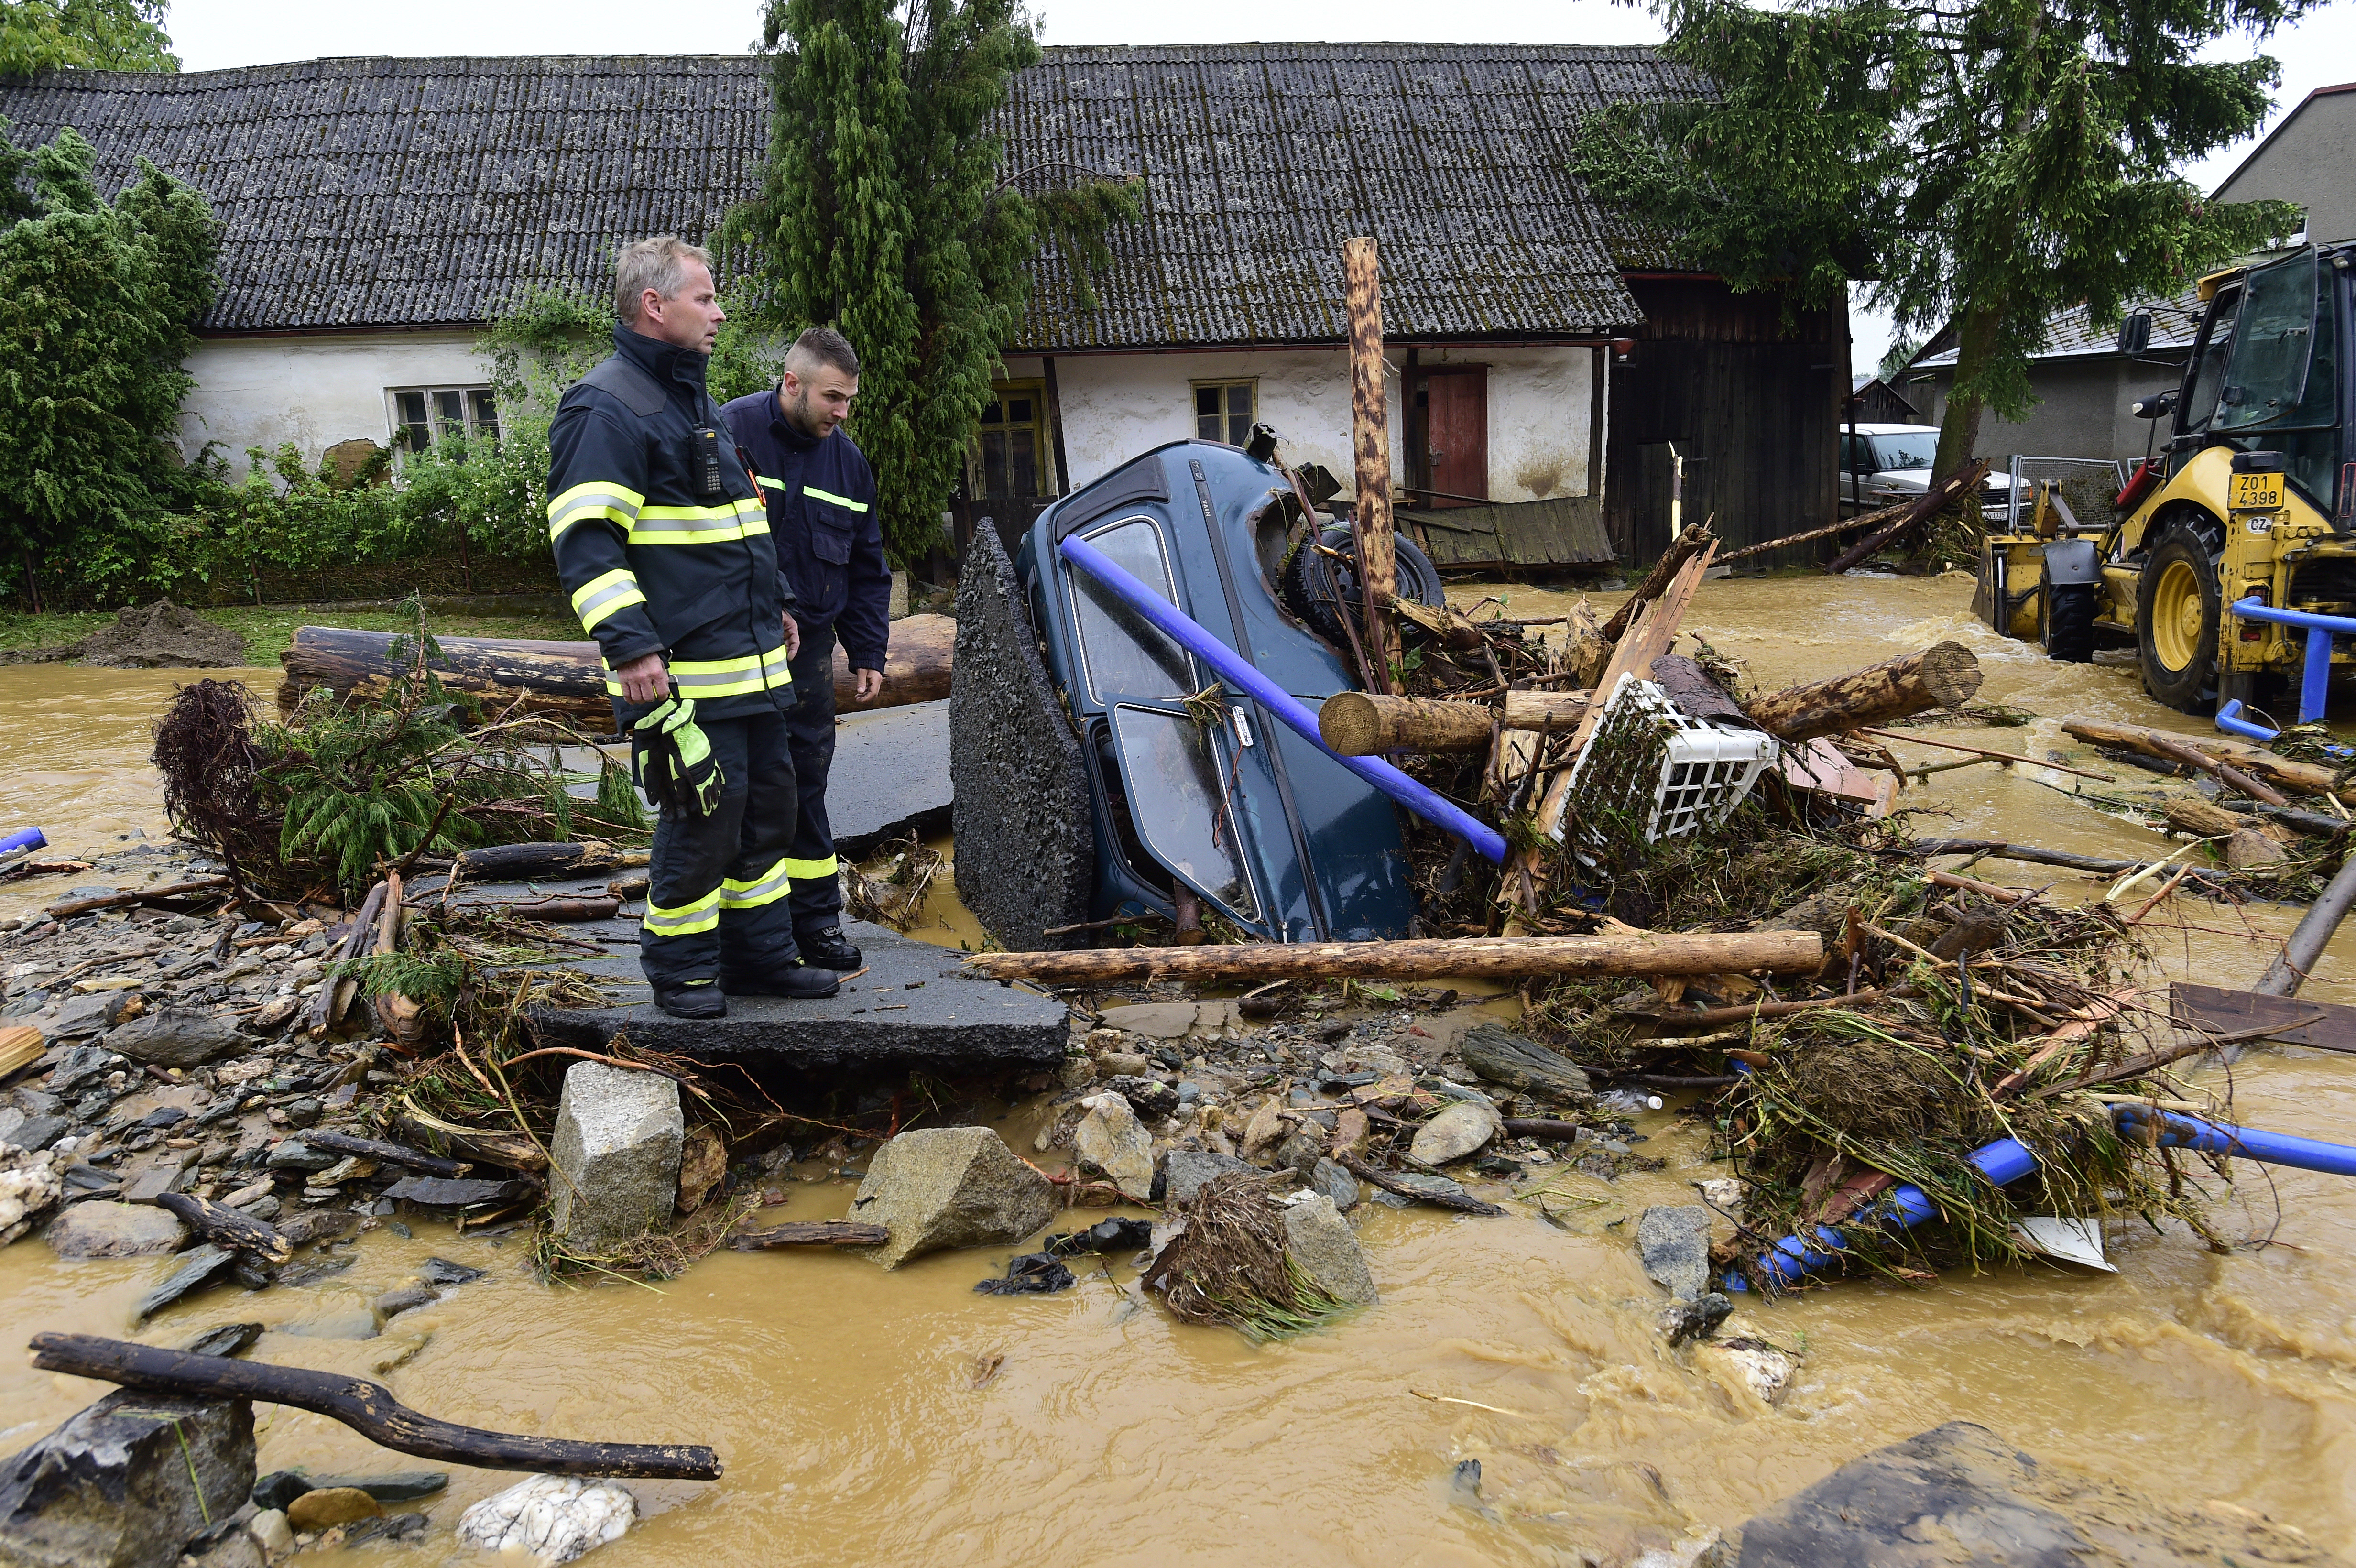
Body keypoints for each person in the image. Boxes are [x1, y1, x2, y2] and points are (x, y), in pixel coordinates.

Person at [545, 236, 840, 1018]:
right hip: (680, 674)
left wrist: (778, 602)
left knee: (766, 812)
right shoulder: (605, 406)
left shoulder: (692, 401)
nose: (718, 313)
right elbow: (586, 540)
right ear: (655, 305)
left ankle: (759, 957)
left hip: (749, 665)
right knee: (704, 818)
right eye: (704, 298)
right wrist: (631, 647)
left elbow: (740, 523)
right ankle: (681, 970)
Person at [719, 327, 890, 972]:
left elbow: (868, 567)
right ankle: (744, 933)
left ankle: (814, 924)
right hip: (733, 643)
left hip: (810, 651)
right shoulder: (729, 434)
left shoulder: (848, 464)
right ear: (792, 383)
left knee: (805, 784)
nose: (842, 412)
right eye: (832, 398)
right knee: (740, 787)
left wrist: (868, 649)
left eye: (849, 400)